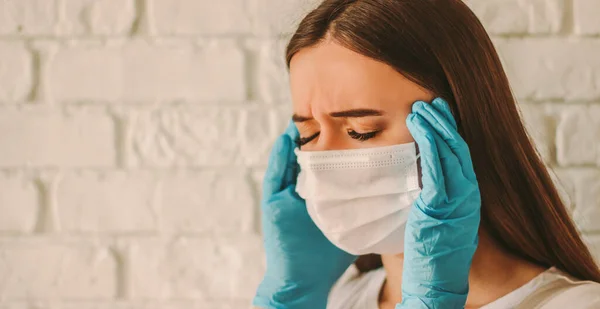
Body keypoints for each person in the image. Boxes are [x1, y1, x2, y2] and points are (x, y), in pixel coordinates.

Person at [251, 0, 600, 308]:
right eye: (307, 135)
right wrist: (290, 300)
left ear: (458, 130)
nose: (321, 162)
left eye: (362, 131)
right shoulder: (342, 299)